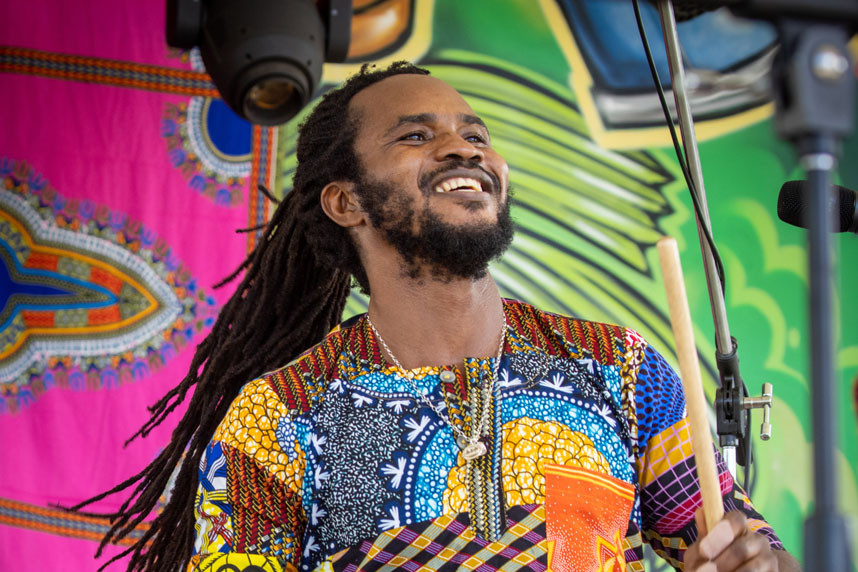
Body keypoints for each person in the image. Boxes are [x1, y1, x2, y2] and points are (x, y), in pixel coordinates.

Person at [84, 62, 800, 572]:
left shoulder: (619, 367)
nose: (466, 148)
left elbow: (748, 548)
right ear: (347, 202)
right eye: (416, 137)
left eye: (475, 134)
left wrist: (758, 563)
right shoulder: (279, 418)